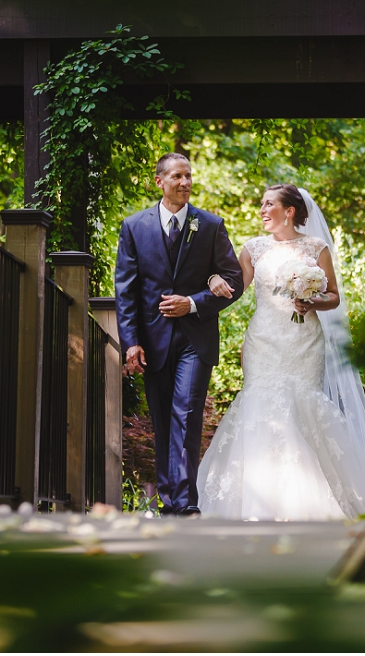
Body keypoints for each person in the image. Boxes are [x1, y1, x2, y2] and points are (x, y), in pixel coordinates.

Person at [197, 184, 365, 520]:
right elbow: (235, 289)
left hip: (304, 340)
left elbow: (333, 296)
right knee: (261, 407)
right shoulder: (253, 249)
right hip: (264, 339)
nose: (262, 210)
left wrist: (312, 301)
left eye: (268, 204)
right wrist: (212, 281)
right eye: (261, 204)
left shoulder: (316, 248)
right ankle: (263, 501)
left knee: (303, 405)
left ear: (289, 211)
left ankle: (312, 502)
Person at [115, 153, 243, 516]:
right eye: (177, 176)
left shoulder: (211, 225)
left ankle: (184, 503)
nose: (185, 182)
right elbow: (126, 291)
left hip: (195, 340)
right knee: (161, 420)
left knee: (186, 416)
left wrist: (194, 302)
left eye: (188, 176)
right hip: (152, 342)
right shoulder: (134, 227)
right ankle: (169, 499)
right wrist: (131, 342)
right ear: (159, 181)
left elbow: (234, 280)